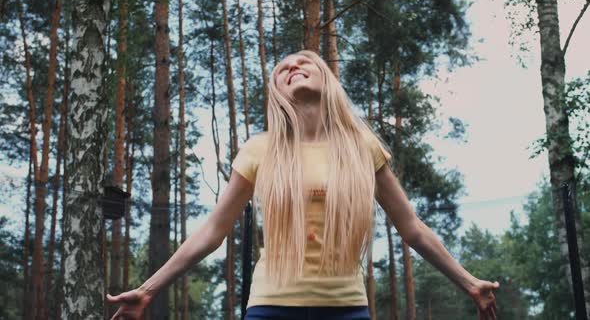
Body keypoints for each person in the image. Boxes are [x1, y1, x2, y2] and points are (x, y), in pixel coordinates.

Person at [107, 50, 499, 320]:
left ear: (326, 79)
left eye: (304, 62)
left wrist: (469, 283)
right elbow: (212, 232)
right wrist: (149, 289)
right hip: (271, 306)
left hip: (346, 307)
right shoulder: (260, 149)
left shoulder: (362, 147)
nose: (293, 66)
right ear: (277, 93)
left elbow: (411, 227)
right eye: (283, 69)